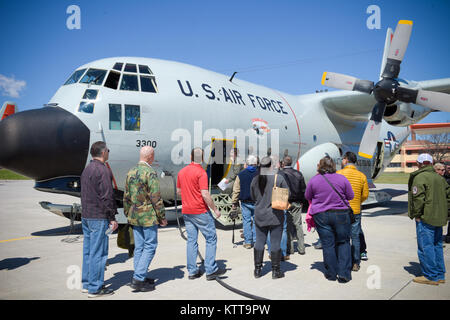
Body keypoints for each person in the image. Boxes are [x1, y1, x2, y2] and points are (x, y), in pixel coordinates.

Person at [176, 148, 226, 280]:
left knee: (191, 241)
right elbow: (205, 193)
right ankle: (210, 270)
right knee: (211, 238)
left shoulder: (181, 172)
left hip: (187, 211)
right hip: (200, 211)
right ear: (202, 158)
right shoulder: (201, 173)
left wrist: (189, 196)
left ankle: (192, 271)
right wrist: (215, 209)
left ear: (191, 156)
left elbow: (178, 192)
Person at [123, 146, 168, 292]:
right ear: (150, 156)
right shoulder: (150, 173)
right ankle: (138, 278)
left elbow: (126, 196)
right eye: (153, 155)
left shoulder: (130, 171)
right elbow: (155, 197)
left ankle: (139, 275)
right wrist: (161, 217)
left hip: (135, 216)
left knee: (140, 247)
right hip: (148, 217)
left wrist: (127, 213)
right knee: (150, 246)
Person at [305, 156, 354, 283]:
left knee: (328, 244)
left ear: (320, 166)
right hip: (341, 214)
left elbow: (307, 196)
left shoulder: (314, 180)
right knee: (343, 242)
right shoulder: (341, 178)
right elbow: (350, 196)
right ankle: (344, 273)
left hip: (321, 214)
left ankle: (331, 273)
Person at [80, 141, 118, 298]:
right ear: (103, 153)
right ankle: (95, 288)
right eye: (108, 150)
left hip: (86, 216)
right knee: (99, 253)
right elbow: (107, 196)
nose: (109, 152)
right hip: (98, 217)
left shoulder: (87, 169)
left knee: (88, 252)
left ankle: (87, 283)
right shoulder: (103, 170)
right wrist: (112, 217)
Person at [408, 153, 450, 285]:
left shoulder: (420, 177)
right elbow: (448, 198)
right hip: (439, 218)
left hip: (426, 218)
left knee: (426, 247)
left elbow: (418, 199)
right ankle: (439, 274)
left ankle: (430, 275)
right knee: (437, 246)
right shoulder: (440, 178)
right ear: (431, 163)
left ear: (418, 163)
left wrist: (417, 215)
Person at [250, 156, 289, 279]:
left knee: (259, 242)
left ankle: (257, 269)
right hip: (275, 216)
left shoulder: (255, 179)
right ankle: (275, 271)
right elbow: (288, 195)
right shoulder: (279, 178)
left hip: (260, 215)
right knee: (275, 243)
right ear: (271, 166)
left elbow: (252, 196)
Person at [337, 151, 369, 272]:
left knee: (342, 237)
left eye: (342, 159)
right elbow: (365, 194)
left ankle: (343, 260)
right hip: (355, 210)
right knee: (355, 236)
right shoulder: (361, 176)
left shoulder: (339, 174)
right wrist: (357, 201)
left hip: (341, 210)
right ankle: (356, 262)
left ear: (345, 160)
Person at [279, 155, 307, 255]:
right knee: (298, 225)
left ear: (283, 163)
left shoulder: (281, 174)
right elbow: (303, 189)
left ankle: (289, 248)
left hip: (285, 202)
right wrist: (302, 200)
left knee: (287, 226)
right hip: (297, 202)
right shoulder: (298, 174)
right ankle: (301, 248)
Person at [231, 155, 259, 249]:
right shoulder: (260, 174)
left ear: (246, 163)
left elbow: (236, 190)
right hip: (257, 202)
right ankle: (256, 241)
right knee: (256, 222)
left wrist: (234, 202)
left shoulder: (241, 174)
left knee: (246, 222)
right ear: (256, 163)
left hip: (245, 202)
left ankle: (247, 242)